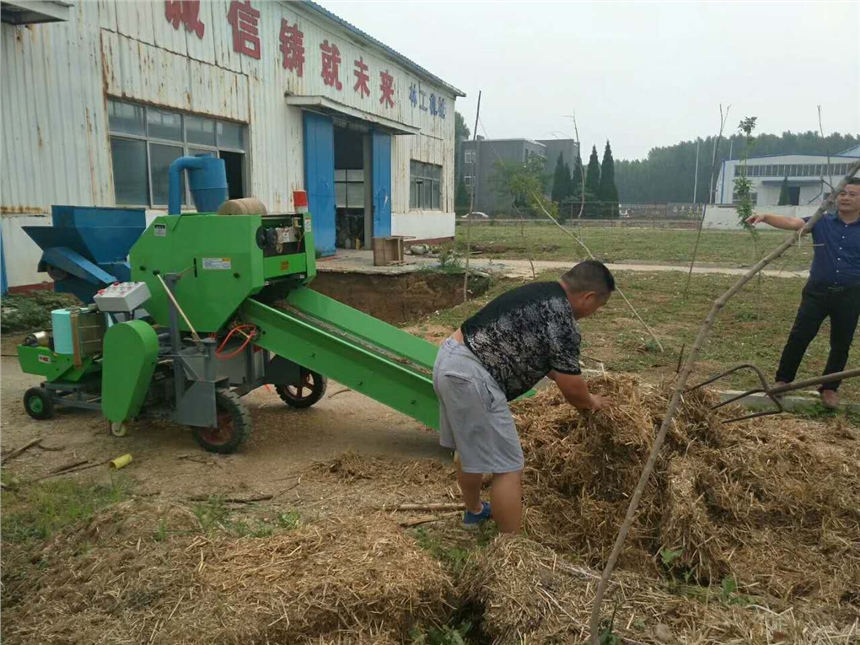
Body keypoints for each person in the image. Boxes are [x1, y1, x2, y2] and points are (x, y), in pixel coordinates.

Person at [432, 260, 614, 533]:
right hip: (473, 376)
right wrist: (591, 402)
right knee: (508, 466)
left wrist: (566, 379)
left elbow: (545, 359)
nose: (594, 313)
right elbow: (572, 389)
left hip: (450, 358)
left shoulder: (541, 293)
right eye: (598, 307)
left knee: (469, 448)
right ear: (588, 297)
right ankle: (512, 550)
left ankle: (475, 512)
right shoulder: (561, 317)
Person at [746, 176, 860, 409]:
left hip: (851, 294)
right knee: (799, 336)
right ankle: (783, 381)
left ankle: (829, 388)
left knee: (841, 343)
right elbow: (792, 222)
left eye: (852, 194)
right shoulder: (822, 221)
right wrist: (766, 217)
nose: (845, 197)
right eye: (842, 193)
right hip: (817, 292)